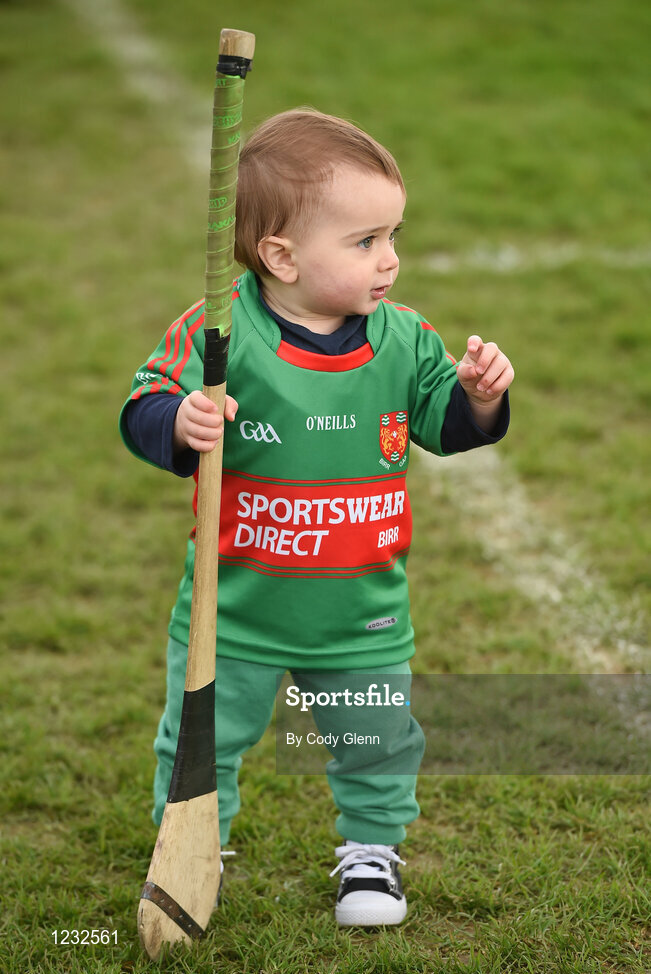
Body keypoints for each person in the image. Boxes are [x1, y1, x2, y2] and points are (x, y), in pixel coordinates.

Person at [120, 108, 514, 927]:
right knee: (200, 744)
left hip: (360, 614)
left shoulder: (405, 339)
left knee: (376, 740)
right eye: (365, 241)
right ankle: (193, 850)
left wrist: (478, 398)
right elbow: (144, 402)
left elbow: (443, 423)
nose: (390, 258)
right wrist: (180, 420)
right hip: (234, 613)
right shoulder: (219, 331)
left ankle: (371, 852)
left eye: (393, 235)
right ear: (281, 256)